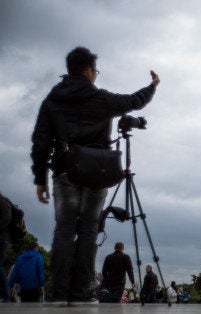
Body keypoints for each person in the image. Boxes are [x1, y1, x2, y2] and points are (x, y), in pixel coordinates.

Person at [30, 47, 159, 306]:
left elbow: (41, 141)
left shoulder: (53, 100)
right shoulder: (99, 98)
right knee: (89, 230)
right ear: (89, 70)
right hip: (97, 171)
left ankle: (58, 294)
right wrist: (152, 85)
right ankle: (80, 293)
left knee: (64, 230)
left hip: (65, 171)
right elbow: (133, 101)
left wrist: (40, 178)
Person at [0, 194, 13, 302]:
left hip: (2, 239)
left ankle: (5, 294)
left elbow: (6, 219)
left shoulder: (3, 201)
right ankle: (4, 294)